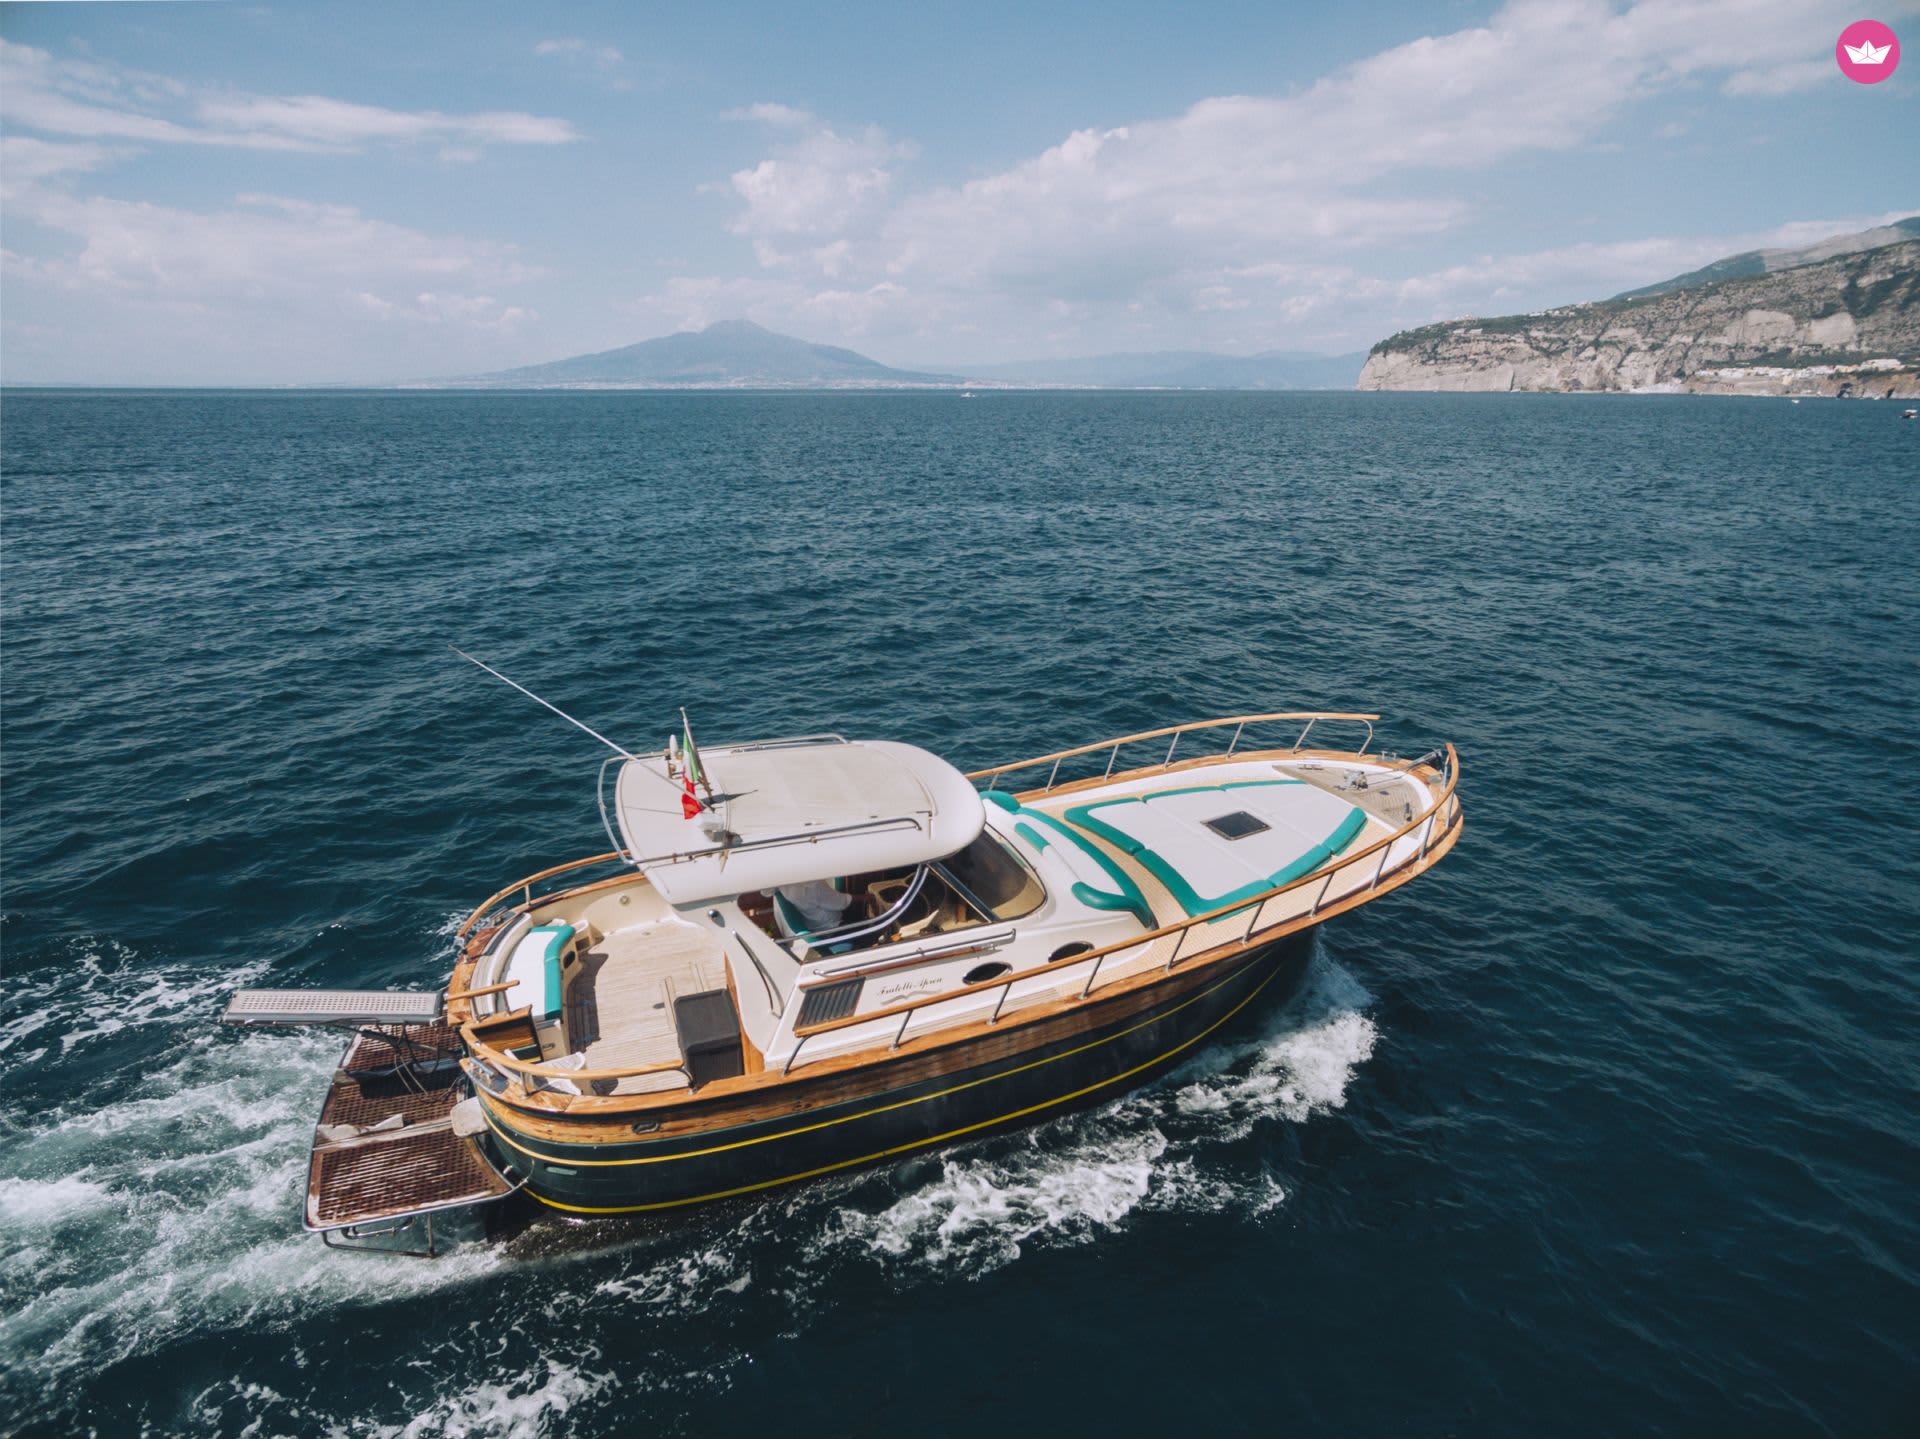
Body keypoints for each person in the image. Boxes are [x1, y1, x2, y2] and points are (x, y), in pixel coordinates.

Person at [776, 878, 855, 934]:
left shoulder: (783, 885)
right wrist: (866, 897)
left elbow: (766, 892)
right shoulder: (811, 886)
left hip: (817, 929)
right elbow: (842, 902)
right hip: (835, 928)